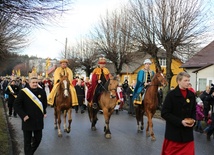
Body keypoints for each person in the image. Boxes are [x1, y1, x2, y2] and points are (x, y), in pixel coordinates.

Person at [161, 72, 196, 155]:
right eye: (185, 80)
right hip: (174, 135)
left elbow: (194, 110)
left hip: (187, 135)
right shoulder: (171, 95)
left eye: (188, 80)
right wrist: (180, 122)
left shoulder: (191, 95)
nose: (188, 82)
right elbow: (165, 113)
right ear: (179, 81)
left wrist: (194, 120)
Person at [14, 74, 47, 155]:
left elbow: (44, 104)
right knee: (27, 141)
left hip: (38, 120)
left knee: (38, 139)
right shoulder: (23, 92)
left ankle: (30, 153)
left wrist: (44, 112)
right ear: (29, 83)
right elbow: (16, 105)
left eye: (36, 82)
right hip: (27, 120)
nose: (35, 84)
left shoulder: (42, 92)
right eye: (33, 82)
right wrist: (23, 115)